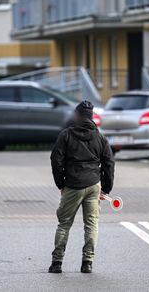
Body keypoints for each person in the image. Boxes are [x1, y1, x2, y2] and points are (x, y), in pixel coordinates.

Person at [48, 101, 114, 274]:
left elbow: (56, 159)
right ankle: (87, 263)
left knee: (64, 224)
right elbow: (109, 163)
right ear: (91, 117)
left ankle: (57, 263)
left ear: (77, 115)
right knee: (91, 224)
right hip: (93, 184)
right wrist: (106, 188)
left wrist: (60, 183)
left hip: (73, 185)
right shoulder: (100, 137)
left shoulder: (66, 135)